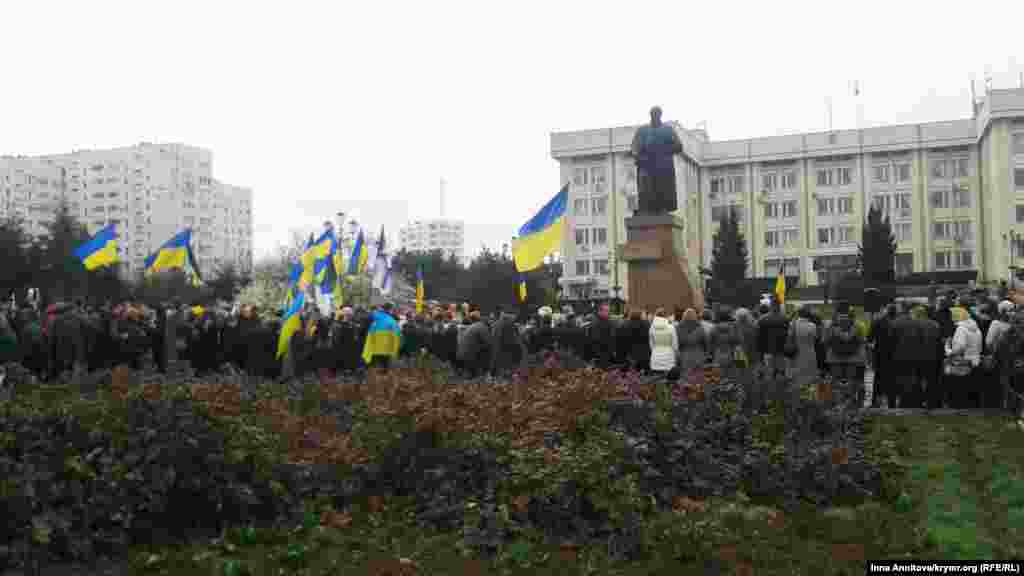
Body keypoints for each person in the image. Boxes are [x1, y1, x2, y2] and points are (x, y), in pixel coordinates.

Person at [648, 308, 678, 377]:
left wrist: (656, 350)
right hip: (669, 358)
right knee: (669, 381)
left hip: (655, 358)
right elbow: (675, 345)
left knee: (656, 382)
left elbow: (651, 345)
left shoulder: (652, 328)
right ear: (666, 316)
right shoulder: (671, 327)